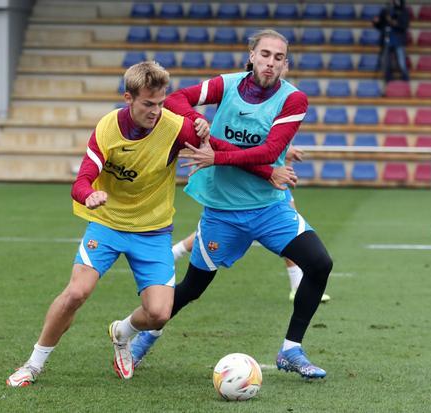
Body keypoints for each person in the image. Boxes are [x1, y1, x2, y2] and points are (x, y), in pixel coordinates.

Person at [5, 61, 297, 386]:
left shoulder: (175, 127)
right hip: (108, 224)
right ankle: (33, 364)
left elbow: (220, 151)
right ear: (127, 98)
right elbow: (82, 180)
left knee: (159, 313)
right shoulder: (107, 128)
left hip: (153, 231)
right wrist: (88, 195)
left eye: (160, 103)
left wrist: (269, 165)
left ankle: (122, 332)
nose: (156, 111)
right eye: (148, 103)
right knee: (76, 292)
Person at [127, 29, 333, 379]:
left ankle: (291, 349)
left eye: (278, 58)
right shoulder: (227, 84)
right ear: (252, 55)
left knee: (320, 263)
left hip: (270, 208)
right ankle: (143, 337)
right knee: (192, 288)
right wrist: (196, 120)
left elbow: (268, 152)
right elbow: (176, 100)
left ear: (286, 64)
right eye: (265, 55)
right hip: (223, 211)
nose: (270, 63)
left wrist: (217, 155)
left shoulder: (293, 99)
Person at [172, 144, 331, 303]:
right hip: (250, 182)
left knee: (291, 228)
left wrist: (283, 149)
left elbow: (272, 136)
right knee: (219, 231)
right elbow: (248, 141)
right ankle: (175, 253)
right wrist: (283, 150)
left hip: (271, 180)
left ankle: (296, 284)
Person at [372, 0, 410, 84]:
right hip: (386, 39)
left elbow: (404, 26)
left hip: (398, 39)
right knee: (386, 62)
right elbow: (380, 26)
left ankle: (406, 79)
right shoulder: (385, 11)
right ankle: (388, 79)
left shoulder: (403, 11)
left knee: (401, 61)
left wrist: (393, 22)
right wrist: (376, 23)